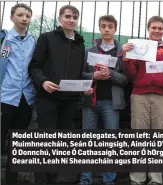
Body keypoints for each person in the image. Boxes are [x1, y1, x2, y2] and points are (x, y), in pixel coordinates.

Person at [28, 5, 86, 184]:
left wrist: (85, 87)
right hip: (48, 99)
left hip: (70, 102)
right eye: (68, 16)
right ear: (60, 19)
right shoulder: (46, 38)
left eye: (75, 17)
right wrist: (43, 81)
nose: (71, 20)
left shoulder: (80, 43)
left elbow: (79, 74)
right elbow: (34, 66)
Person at [123, 16, 163, 185]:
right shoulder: (137, 47)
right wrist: (126, 60)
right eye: (153, 28)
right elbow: (131, 75)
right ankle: (137, 179)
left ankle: (156, 180)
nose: (157, 31)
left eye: (160, 28)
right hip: (139, 95)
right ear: (148, 29)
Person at [78, 15, 128, 185]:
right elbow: (81, 74)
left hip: (111, 104)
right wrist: (94, 75)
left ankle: (109, 181)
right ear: (99, 28)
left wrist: (111, 74)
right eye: (104, 26)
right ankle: (85, 180)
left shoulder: (122, 53)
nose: (107, 29)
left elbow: (126, 80)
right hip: (90, 102)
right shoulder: (89, 51)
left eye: (110, 26)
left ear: (115, 29)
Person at [0, 4, 35, 184]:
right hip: (5, 96)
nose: (24, 18)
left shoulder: (34, 41)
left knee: (17, 141)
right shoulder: (4, 39)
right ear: (12, 17)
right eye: (20, 15)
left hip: (26, 98)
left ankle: (11, 179)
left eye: (27, 16)